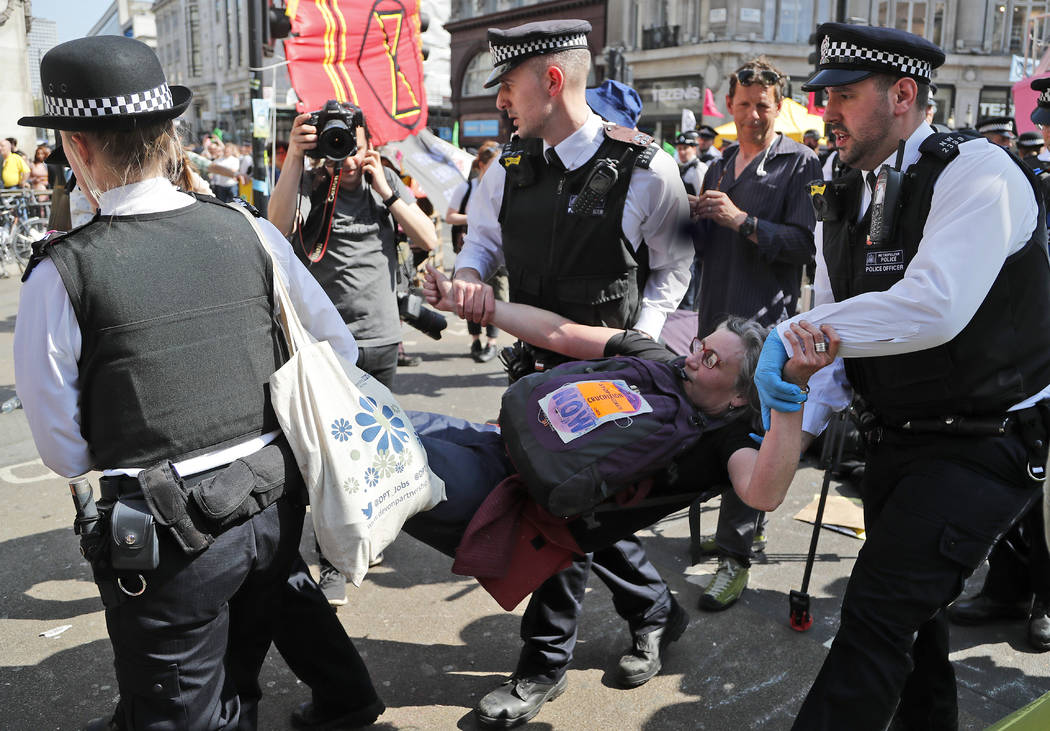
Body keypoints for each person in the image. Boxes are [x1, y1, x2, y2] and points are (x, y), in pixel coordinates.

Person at [13, 35, 384, 729]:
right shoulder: (246, 230)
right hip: (272, 508)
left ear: (77, 147)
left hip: (166, 539)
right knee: (233, 676)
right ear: (167, 134)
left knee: (182, 711)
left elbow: (66, 452)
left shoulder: (59, 274)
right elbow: (336, 347)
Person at [754, 23, 1050, 730]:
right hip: (895, 439)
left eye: (846, 96)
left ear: (904, 95)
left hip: (986, 440)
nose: (828, 112)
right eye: (825, 97)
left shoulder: (978, 171)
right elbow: (830, 318)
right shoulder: (840, 184)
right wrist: (792, 417)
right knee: (917, 627)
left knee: (877, 616)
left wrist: (787, 338)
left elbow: (932, 307)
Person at [414, 264, 837, 727]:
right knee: (403, 433)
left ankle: (544, 671)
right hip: (532, 461)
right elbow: (561, 332)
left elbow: (764, 493)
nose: (694, 359)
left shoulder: (724, 441)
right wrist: (480, 306)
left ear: (739, 397)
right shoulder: (657, 360)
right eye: (701, 346)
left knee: (569, 543)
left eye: (714, 361)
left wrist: (790, 392)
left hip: (569, 517)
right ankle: (655, 611)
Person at [450, 18, 694, 726]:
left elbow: (675, 268)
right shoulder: (509, 164)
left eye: (508, 83)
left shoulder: (646, 166)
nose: (500, 99)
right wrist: (468, 278)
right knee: (584, 508)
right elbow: (485, 242)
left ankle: (542, 665)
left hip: (605, 379)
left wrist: (635, 349)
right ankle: (655, 608)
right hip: (531, 373)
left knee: (558, 509)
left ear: (551, 80)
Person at [269, 101, 438, 604]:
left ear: (366, 140)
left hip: (381, 336)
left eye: (351, 137)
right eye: (333, 137)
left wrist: (384, 186)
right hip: (325, 345)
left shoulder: (384, 183)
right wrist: (295, 163)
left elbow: (429, 237)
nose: (342, 149)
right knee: (326, 455)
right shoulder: (308, 183)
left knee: (375, 448)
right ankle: (332, 561)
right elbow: (275, 231)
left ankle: (372, 529)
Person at [688, 56, 821, 612]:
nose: (750, 115)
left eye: (761, 106)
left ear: (779, 107)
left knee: (750, 434)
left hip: (762, 327)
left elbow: (806, 247)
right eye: (742, 105)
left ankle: (735, 556)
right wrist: (697, 215)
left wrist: (743, 221)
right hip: (713, 321)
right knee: (710, 426)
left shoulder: (801, 164)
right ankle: (737, 528)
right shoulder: (719, 163)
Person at [445, 141, 505, 362]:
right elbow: (449, 216)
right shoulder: (467, 187)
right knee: (471, 296)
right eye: (492, 164)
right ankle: (475, 340)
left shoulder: (504, 184)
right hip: (471, 249)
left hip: (500, 254)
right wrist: (478, 218)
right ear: (481, 164)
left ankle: (492, 343)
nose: (498, 168)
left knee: (498, 297)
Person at [674, 130, 707, 195]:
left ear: (694, 149)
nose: (682, 152)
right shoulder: (678, 167)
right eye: (679, 148)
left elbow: (700, 195)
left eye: (685, 148)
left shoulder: (698, 168)